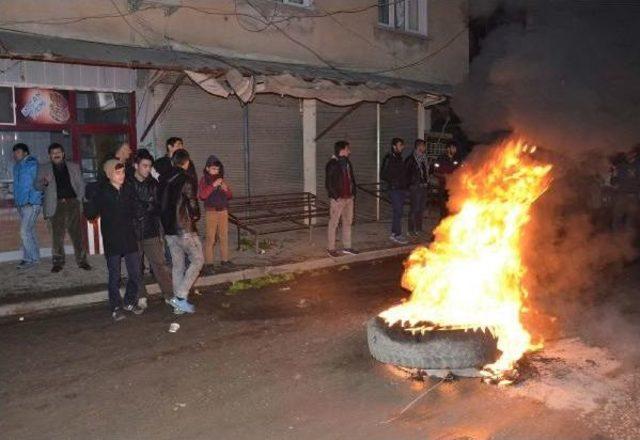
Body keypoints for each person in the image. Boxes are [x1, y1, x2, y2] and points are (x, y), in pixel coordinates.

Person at [89, 159, 143, 321]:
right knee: (115, 275)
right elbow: (91, 214)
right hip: (112, 238)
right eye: (117, 173)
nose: (121, 176)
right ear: (109, 174)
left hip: (129, 236)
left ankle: (129, 301)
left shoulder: (128, 189)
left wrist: (140, 210)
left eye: (123, 172)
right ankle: (116, 306)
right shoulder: (103, 192)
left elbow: (136, 209)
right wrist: (88, 201)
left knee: (135, 273)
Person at [128, 149, 174, 309]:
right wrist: (146, 205)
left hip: (150, 230)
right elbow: (128, 208)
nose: (147, 169)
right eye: (144, 166)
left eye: (149, 166)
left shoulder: (153, 184)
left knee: (159, 264)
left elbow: (159, 206)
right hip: (132, 231)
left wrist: (148, 206)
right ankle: (141, 296)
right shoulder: (127, 183)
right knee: (135, 266)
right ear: (136, 165)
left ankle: (169, 295)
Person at [36, 143, 91, 273]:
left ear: (63, 153)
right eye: (53, 153)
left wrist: (79, 199)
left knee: (77, 235)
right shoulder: (44, 168)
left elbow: (81, 184)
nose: (56, 154)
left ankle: (82, 261)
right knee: (57, 236)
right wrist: (45, 181)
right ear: (49, 155)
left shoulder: (74, 166)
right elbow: (36, 186)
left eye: (58, 152)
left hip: (73, 203)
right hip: (56, 205)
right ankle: (58, 262)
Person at [160, 149, 203, 314]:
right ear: (186, 162)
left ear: (173, 162)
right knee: (198, 260)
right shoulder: (187, 179)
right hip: (184, 228)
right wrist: (196, 215)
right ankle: (180, 296)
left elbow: (160, 204)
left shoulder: (163, 179)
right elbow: (192, 203)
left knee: (178, 265)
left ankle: (179, 305)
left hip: (169, 229)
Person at [325, 140, 358, 257]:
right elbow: (329, 183)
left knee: (347, 222)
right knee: (333, 223)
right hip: (338, 199)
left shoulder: (347, 162)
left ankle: (347, 247)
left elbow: (351, 179)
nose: (350, 151)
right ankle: (331, 248)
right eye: (348, 149)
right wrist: (336, 196)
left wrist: (353, 193)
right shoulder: (332, 164)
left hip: (349, 198)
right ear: (342, 150)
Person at [12, 143, 43, 269]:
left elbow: (38, 184)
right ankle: (29, 258)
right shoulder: (16, 167)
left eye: (18, 152)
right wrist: (17, 201)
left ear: (25, 153)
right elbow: (18, 186)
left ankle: (33, 259)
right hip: (21, 204)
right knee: (29, 231)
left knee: (24, 232)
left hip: (31, 204)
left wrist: (32, 201)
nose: (15, 154)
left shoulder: (33, 165)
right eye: (14, 152)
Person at [198, 155, 233, 267]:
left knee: (224, 236)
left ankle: (225, 260)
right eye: (213, 169)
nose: (216, 171)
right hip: (211, 212)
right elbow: (202, 195)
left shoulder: (220, 179)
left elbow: (229, 195)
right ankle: (209, 263)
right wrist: (213, 185)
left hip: (223, 211)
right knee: (210, 238)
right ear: (207, 168)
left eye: (217, 169)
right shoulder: (204, 180)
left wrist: (225, 188)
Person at [381, 137, 409, 244]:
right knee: (398, 211)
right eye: (400, 145)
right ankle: (395, 234)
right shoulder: (389, 158)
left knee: (399, 212)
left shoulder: (399, 157)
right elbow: (383, 174)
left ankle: (396, 233)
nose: (402, 147)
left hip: (401, 188)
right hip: (394, 189)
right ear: (394, 146)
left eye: (402, 145)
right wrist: (394, 180)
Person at [405, 139, 430, 237]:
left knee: (421, 208)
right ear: (419, 147)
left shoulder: (424, 158)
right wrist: (410, 185)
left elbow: (426, 172)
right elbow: (406, 174)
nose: (425, 148)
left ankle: (418, 229)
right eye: (424, 146)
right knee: (414, 208)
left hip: (423, 186)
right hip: (415, 187)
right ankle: (410, 230)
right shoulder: (411, 159)